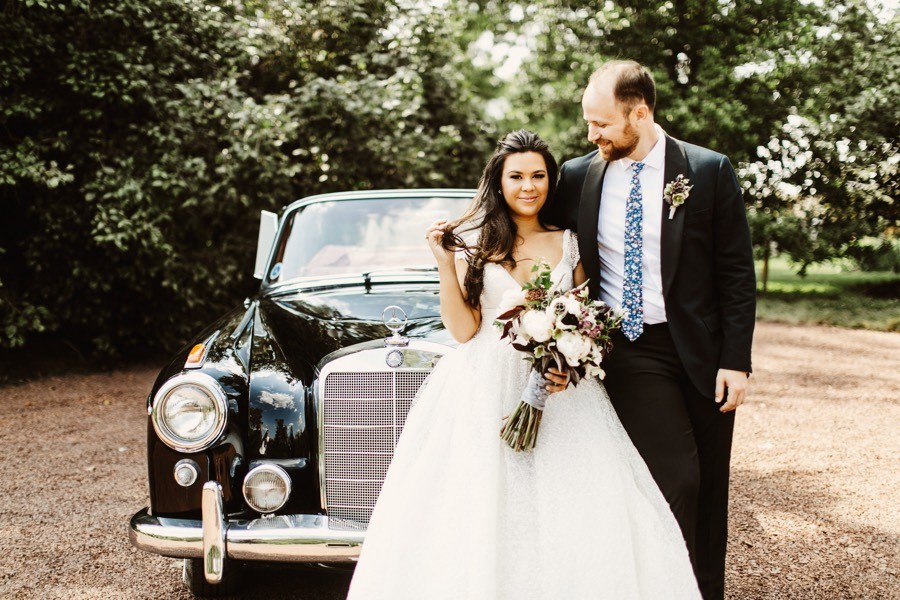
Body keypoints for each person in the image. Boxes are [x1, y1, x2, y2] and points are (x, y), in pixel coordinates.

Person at [346, 130, 700, 600]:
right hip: (481, 385)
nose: (528, 186)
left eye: (538, 176)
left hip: (557, 391)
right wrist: (442, 262)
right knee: (483, 500)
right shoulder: (473, 243)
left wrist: (567, 363)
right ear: (498, 181)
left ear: (550, 182)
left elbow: (583, 319)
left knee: (568, 499)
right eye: (516, 176)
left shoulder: (568, 242)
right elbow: (463, 329)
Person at [549, 61, 756, 600]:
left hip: (704, 355)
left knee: (709, 485)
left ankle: (705, 590)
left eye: (602, 123)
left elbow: (736, 271)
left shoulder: (708, 171)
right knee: (676, 477)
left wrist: (736, 359)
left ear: (639, 113)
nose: (591, 135)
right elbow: (525, 220)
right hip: (630, 349)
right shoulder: (578, 176)